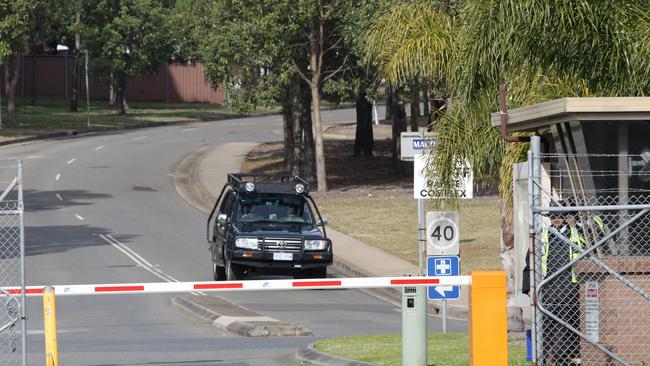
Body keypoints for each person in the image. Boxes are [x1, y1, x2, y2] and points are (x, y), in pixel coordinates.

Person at [539, 208, 583, 366]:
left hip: (568, 290)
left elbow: (595, 235)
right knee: (544, 328)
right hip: (548, 289)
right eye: (552, 216)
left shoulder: (575, 233)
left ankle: (560, 360)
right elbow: (530, 260)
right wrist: (528, 286)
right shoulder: (542, 235)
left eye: (559, 215)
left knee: (565, 327)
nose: (556, 218)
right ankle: (540, 359)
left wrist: (576, 222)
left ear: (565, 217)